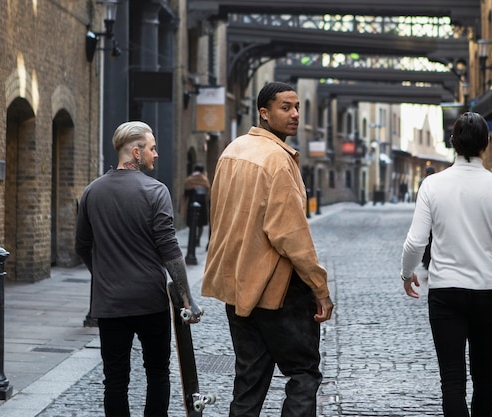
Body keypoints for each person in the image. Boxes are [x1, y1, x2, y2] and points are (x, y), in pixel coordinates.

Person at [202, 81, 334, 417]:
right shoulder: (277, 159)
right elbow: (290, 233)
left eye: (297, 107)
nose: (294, 115)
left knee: (249, 380)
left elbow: (217, 216)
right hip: (279, 290)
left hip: (238, 287)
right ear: (264, 112)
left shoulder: (231, 151)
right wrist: (320, 287)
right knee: (303, 373)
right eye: (285, 107)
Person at [399, 112, 492, 417]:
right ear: (487, 143)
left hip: (446, 294)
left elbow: (416, 241)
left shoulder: (432, 185)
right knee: (485, 377)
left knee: (452, 380)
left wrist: (407, 273)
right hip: (487, 292)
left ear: (452, 143)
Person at [75, 121, 202, 417]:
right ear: (136, 151)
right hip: (150, 301)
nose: (156, 154)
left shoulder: (92, 192)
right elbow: (169, 250)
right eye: (152, 148)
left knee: (115, 381)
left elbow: (82, 245)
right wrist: (186, 298)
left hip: (110, 304)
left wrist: (104, 274)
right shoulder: (156, 191)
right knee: (158, 372)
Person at [181, 164, 211, 246]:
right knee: (201, 223)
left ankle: (193, 238)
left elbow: (186, 192)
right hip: (202, 204)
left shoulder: (190, 179)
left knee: (192, 222)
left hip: (192, 202)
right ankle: (198, 239)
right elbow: (208, 191)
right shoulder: (204, 180)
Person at [419, 165, 436, 270]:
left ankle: (427, 260)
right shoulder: (437, 183)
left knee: (427, 239)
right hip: (434, 215)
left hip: (427, 214)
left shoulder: (425, 183)